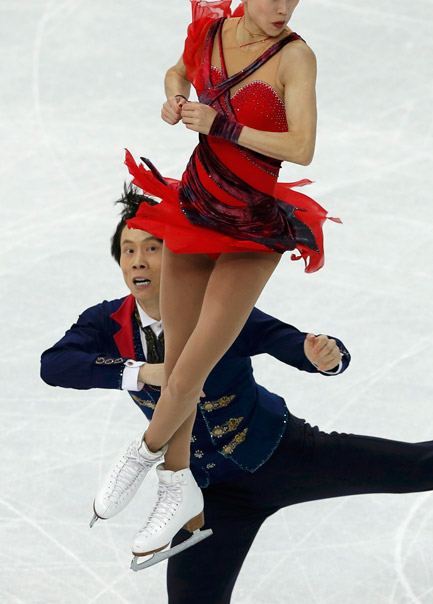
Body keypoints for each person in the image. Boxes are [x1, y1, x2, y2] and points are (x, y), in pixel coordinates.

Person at [41, 188, 433, 604]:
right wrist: (144, 372)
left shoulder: (218, 310)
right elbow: (55, 365)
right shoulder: (106, 322)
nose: (138, 260)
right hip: (210, 496)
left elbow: (283, 339)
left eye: (153, 248)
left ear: (178, 257)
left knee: (418, 468)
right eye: (128, 249)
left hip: (284, 454)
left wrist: (321, 354)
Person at [108, 0, 341, 559]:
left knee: (192, 368)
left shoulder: (297, 57)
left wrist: (222, 123)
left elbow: (301, 148)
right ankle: (177, 486)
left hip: (253, 223)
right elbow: (178, 69)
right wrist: (174, 97)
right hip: (194, 209)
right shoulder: (211, 32)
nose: (285, 7)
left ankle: (145, 450)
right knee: (179, 352)